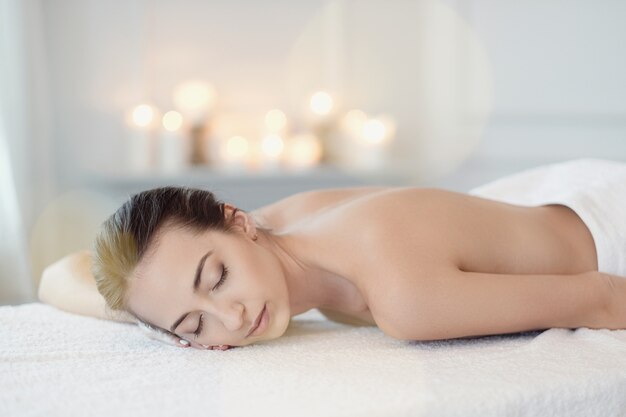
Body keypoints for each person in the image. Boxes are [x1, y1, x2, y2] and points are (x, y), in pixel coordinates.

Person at [38, 158, 626, 351]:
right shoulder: (277, 228)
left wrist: (176, 316)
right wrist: (152, 314)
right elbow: (55, 276)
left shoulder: (406, 300)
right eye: (194, 325)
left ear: (236, 220)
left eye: (216, 279)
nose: (233, 317)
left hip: (603, 230)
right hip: (527, 201)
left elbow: (602, 298)